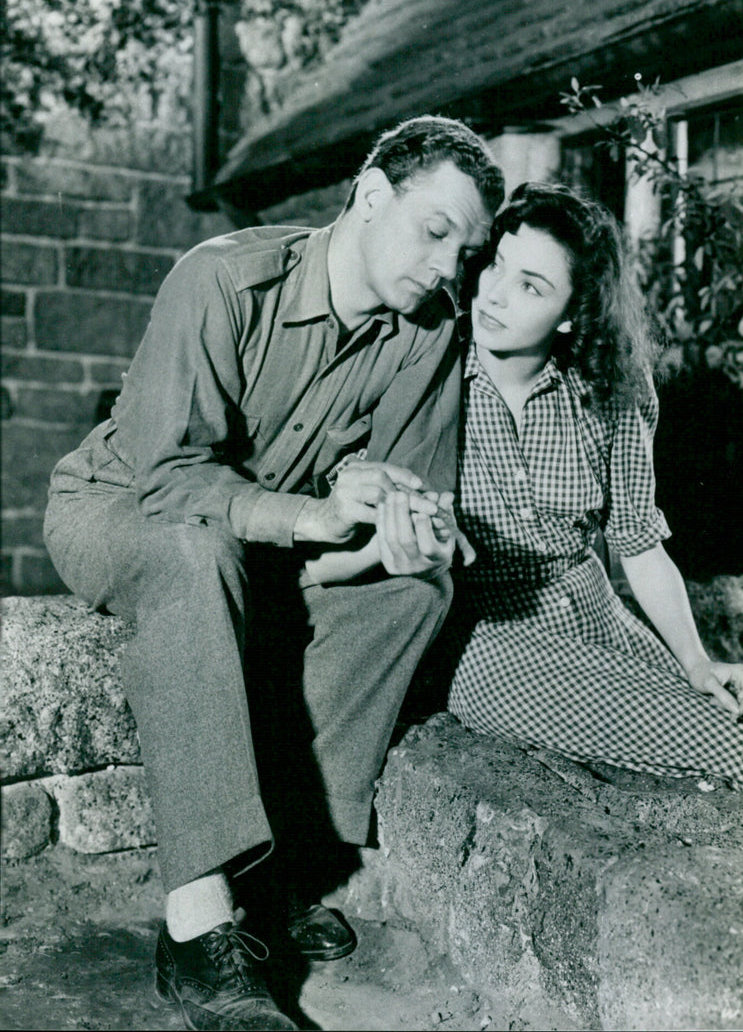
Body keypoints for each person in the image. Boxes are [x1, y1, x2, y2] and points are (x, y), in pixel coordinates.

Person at [43, 115, 504, 1032]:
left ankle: (281, 870)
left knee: (414, 593)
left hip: (262, 540)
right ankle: (197, 929)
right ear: (372, 197)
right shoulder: (220, 278)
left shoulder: (426, 332)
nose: (451, 267)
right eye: (436, 231)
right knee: (194, 552)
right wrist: (317, 517)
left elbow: (408, 494)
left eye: (470, 249)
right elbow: (170, 481)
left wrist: (408, 539)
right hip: (123, 508)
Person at [441, 182, 743, 796]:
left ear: (574, 312)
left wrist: (695, 658)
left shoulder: (607, 393)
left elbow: (638, 542)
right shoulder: (432, 378)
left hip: (595, 615)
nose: (494, 294)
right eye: (498, 263)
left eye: (532, 285)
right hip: (488, 641)